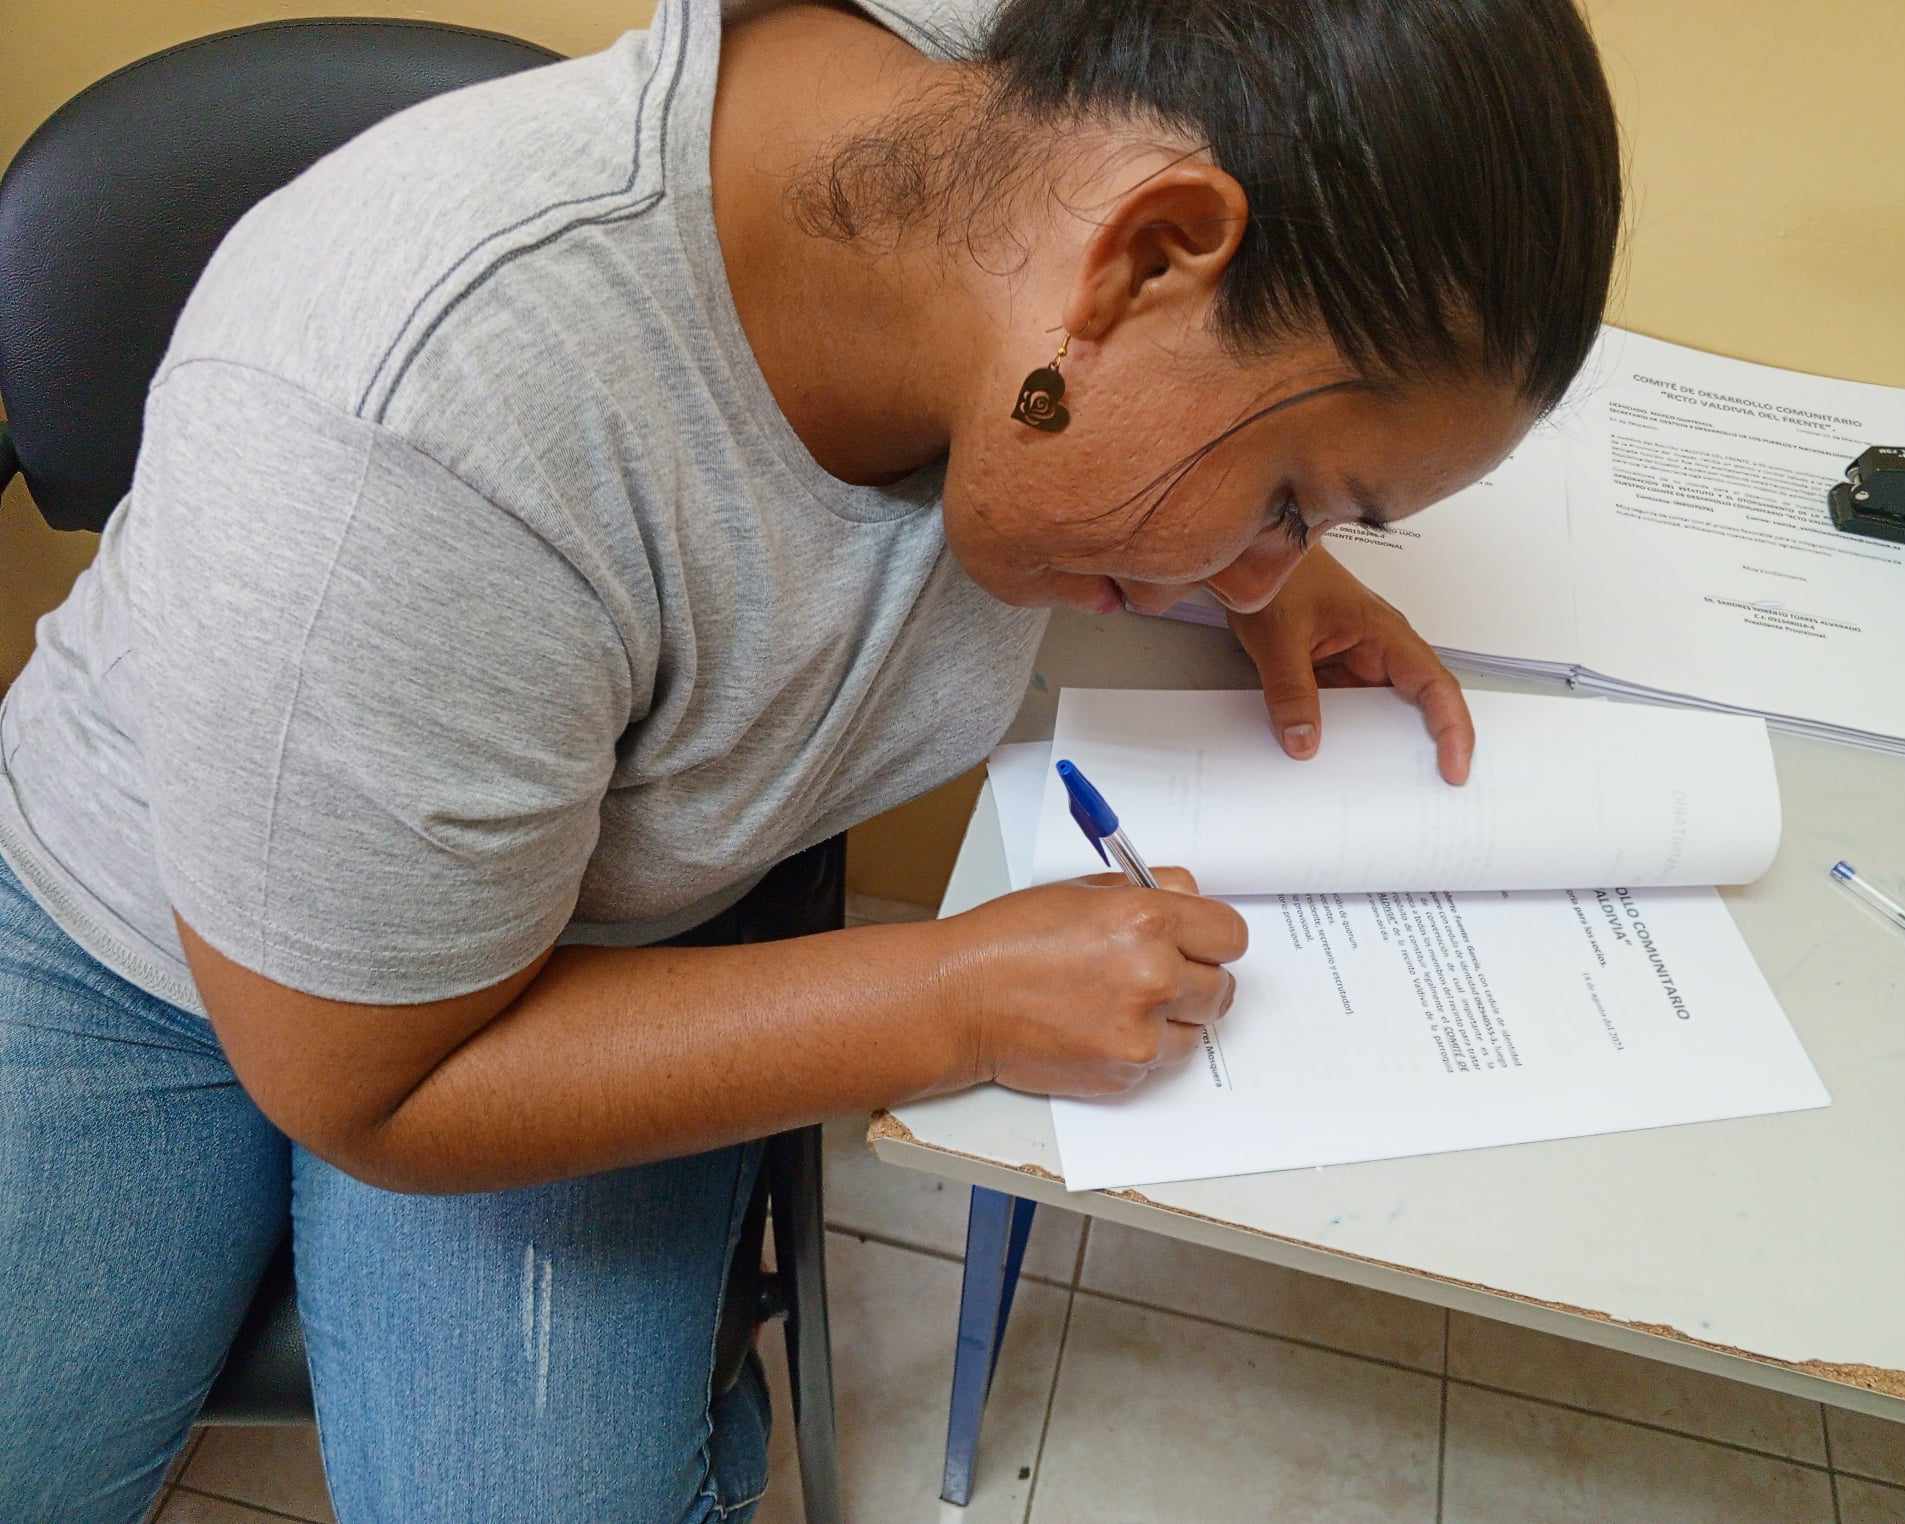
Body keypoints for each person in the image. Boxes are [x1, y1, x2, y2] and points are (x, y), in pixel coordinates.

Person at [0, 0, 1621, 1517]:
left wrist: (1256, 562)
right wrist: (956, 998)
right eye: (1292, 500)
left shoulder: (1055, 108)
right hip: (153, 938)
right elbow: (374, 1082)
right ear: (1144, 258)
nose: (1266, 566)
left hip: (609, 927)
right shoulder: (416, 426)